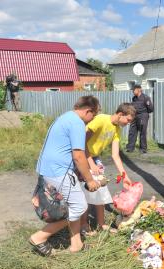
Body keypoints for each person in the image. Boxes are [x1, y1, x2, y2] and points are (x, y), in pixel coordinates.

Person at [29, 96, 101, 256]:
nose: (92, 120)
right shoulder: (77, 123)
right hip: (58, 171)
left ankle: (76, 245)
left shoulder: (65, 117)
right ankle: (39, 238)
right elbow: (78, 156)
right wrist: (89, 179)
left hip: (48, 169)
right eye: (93, 116)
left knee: (73, 204)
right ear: (88, 111)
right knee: (79, 207)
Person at [81, 103, 136, 234]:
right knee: (87, 191)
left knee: (101, 188)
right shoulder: (101, 119)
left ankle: (101, 224)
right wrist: (91, 163)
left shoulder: (117, 129)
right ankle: (83, 224)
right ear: (120, 114)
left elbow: (115, 155)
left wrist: (125, 176)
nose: (128, 123)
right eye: (128, 120)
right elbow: (81, 141)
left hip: (94, 157)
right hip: (83, 156)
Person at [126, 85, 154, 153]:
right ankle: (130, 148)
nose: (133, 91)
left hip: (143, 116)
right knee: (132, 131)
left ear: (139, 89)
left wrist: (144, 114)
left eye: (134, 90)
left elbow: (151, 109)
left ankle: (143, 149)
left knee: (142, 132)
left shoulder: (145, 98)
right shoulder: (134, 98)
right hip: (134, 116)